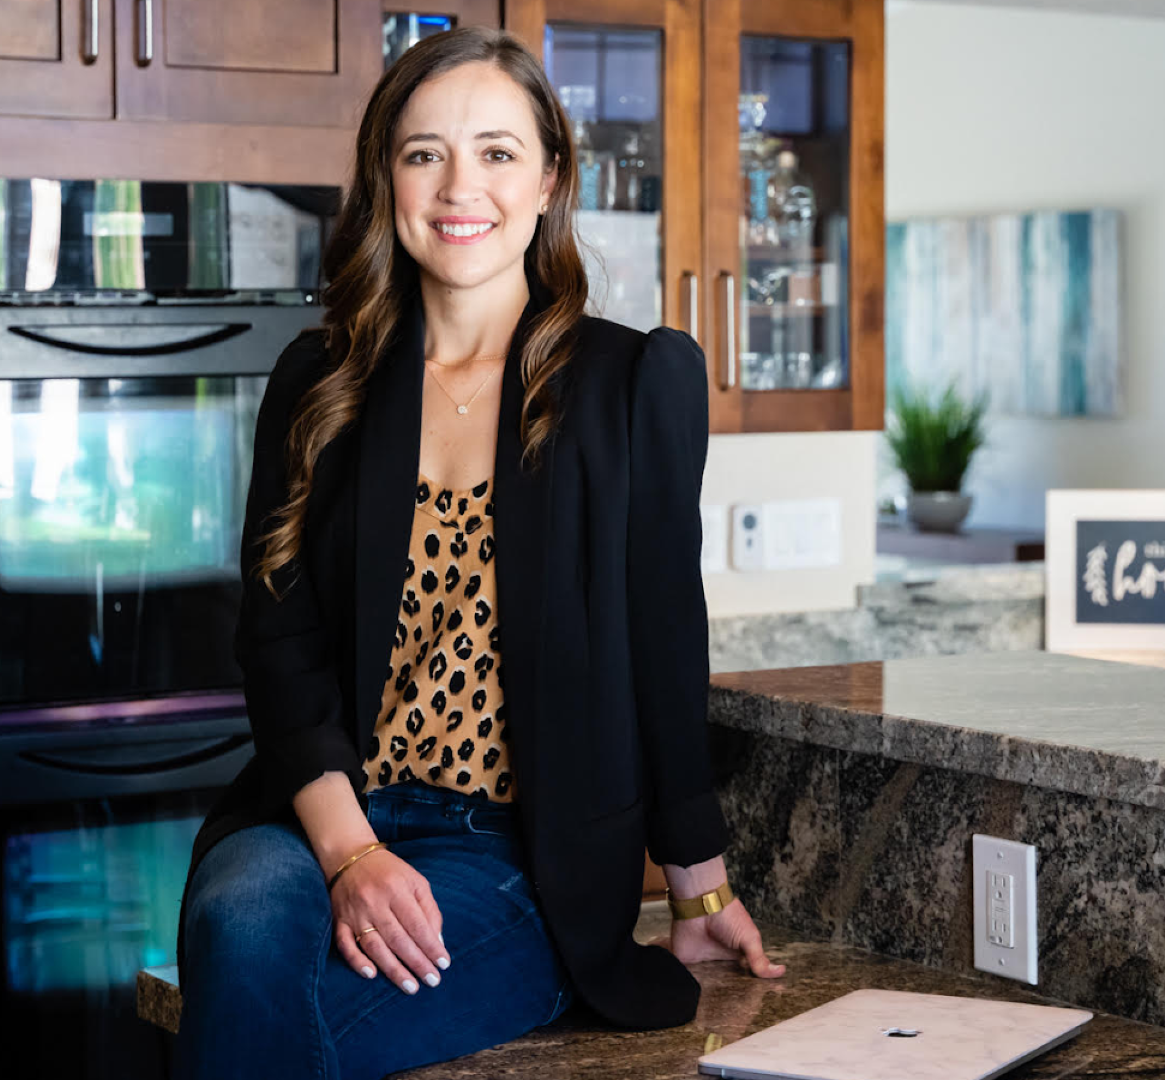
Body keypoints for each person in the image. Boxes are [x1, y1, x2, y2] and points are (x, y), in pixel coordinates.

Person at [172, 26, 784, 1080]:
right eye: (426, 153)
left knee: (288, 1021)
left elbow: (664, 642)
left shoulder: (634, 385)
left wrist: (701, 888)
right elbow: (278, 641)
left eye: (497, 152)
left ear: (548, 179)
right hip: (317, 816)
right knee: (243, 922)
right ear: (387, 179)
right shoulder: (320, 381)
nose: (462, 187)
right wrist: (352, 853)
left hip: (516, 856)